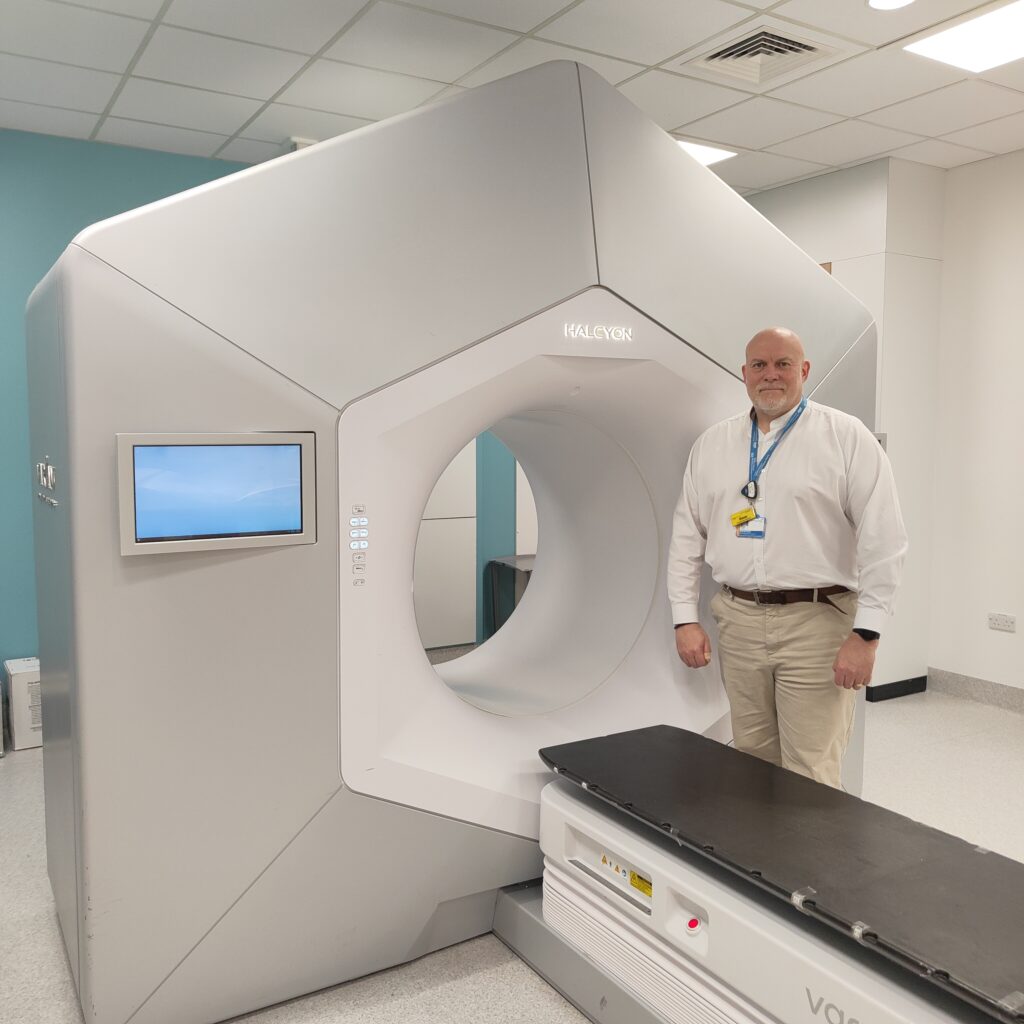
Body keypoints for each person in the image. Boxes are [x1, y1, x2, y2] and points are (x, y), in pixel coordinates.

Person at [668, 326, 907, 788]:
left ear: (804, 370)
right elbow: (685, 538)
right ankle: (759, 861)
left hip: (817, 622)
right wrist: (684, 618)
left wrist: (867, 635)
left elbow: (885, 539)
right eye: (759, 365)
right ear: (744, 373)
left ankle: (811, 863)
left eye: (783, 364)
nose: (770, 375)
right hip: (737, 620)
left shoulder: (844, 437)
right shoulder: (712, 446)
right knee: (750, 759)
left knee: (810, 770)